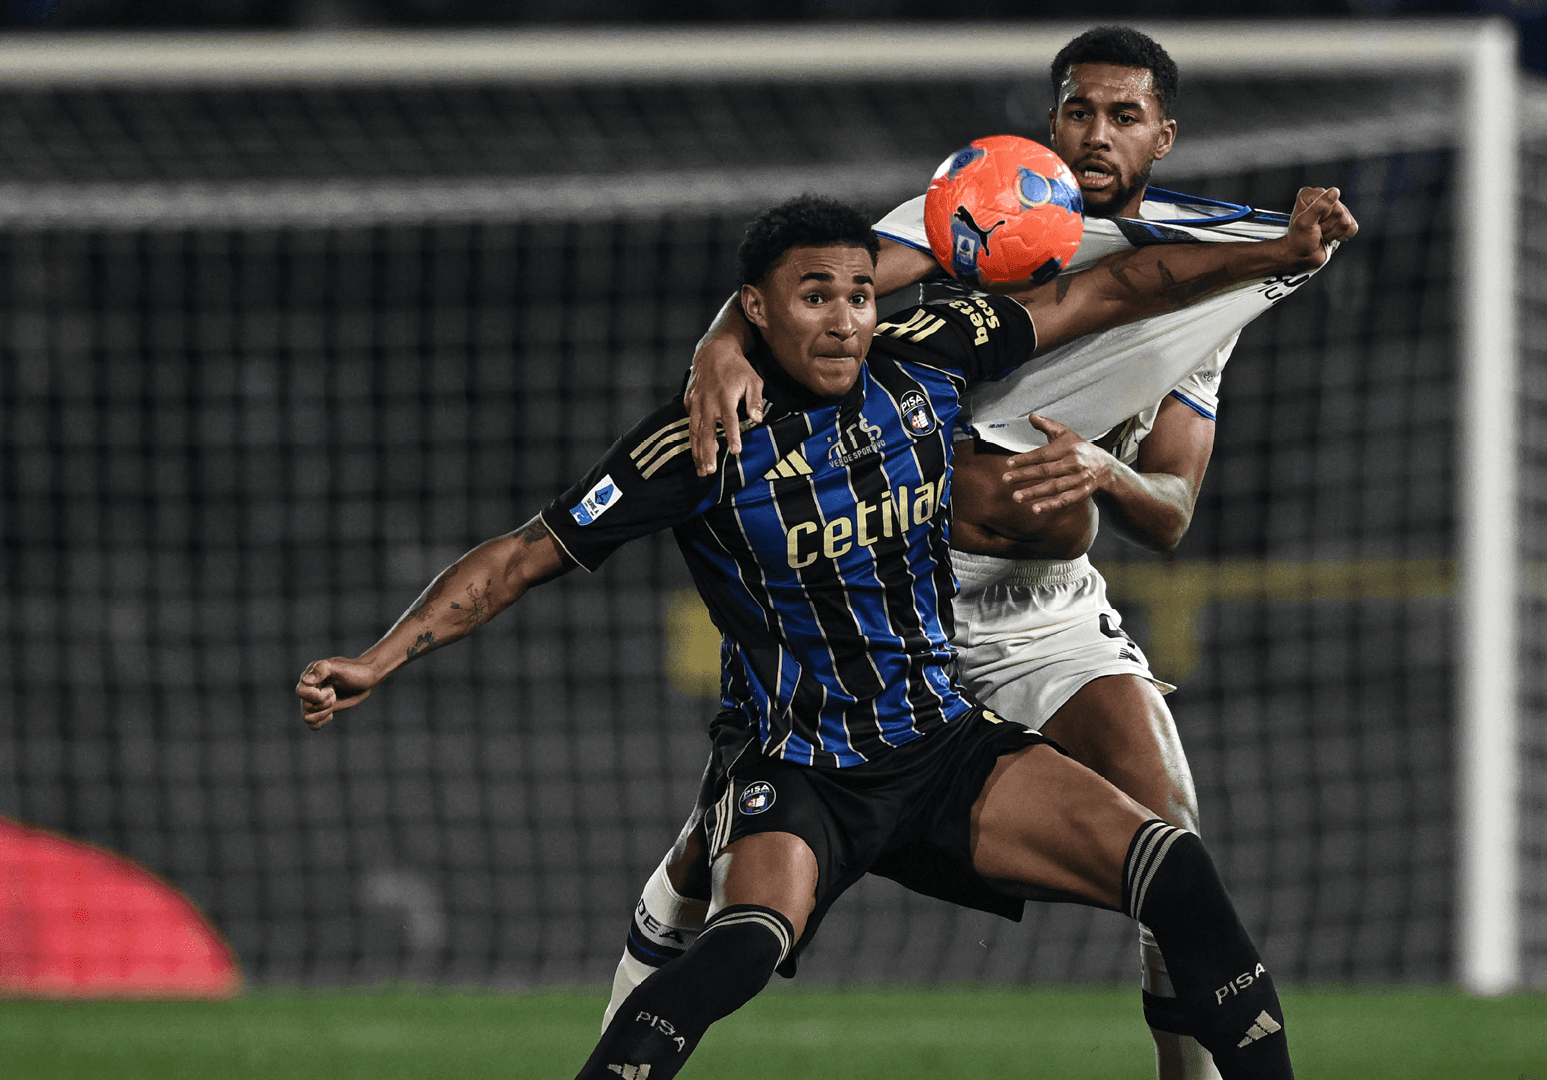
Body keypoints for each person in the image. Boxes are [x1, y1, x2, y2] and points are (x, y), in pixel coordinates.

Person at [296, 190, 1354, 1079]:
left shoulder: (928, 357)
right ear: (756, 311)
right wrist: (379, 658)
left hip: (939, 745)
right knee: (744, 945)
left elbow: (1111, 288)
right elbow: (524, 554)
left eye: (859, 292)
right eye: (816, 297)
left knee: (1173, 867)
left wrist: (1277, 251)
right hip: (799, 766)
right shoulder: (698, 441)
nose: (846, 319)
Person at [656, 26, 1330, 1080]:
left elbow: (1169, 513)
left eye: (1123, 116)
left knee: (1172, 836)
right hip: (893, 592)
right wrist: (715, 347)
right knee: (725, 871)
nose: (1096, 134)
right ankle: (637, 1004)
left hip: (1047, 608)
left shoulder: (1207, 288)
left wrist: (1106, 474)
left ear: (1163, 135)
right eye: (1078, 110)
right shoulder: (987, 202)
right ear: (1051, 119)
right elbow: (807, 287)